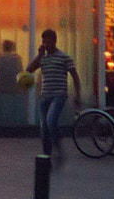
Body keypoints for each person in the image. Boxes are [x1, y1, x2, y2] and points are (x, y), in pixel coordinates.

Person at [33, 28, 82, 160]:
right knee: (44, 126)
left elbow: (75, 76)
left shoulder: (64, 57)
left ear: (54, 42)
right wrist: (39, 55)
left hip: (59, 94)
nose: (46, 45)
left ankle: (57, 147)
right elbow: (29, 69)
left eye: (48, 42)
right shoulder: (43, 58)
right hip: (45, 95)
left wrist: (78, 94)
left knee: (50, 121)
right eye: (44, 43)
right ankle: (46, 154)